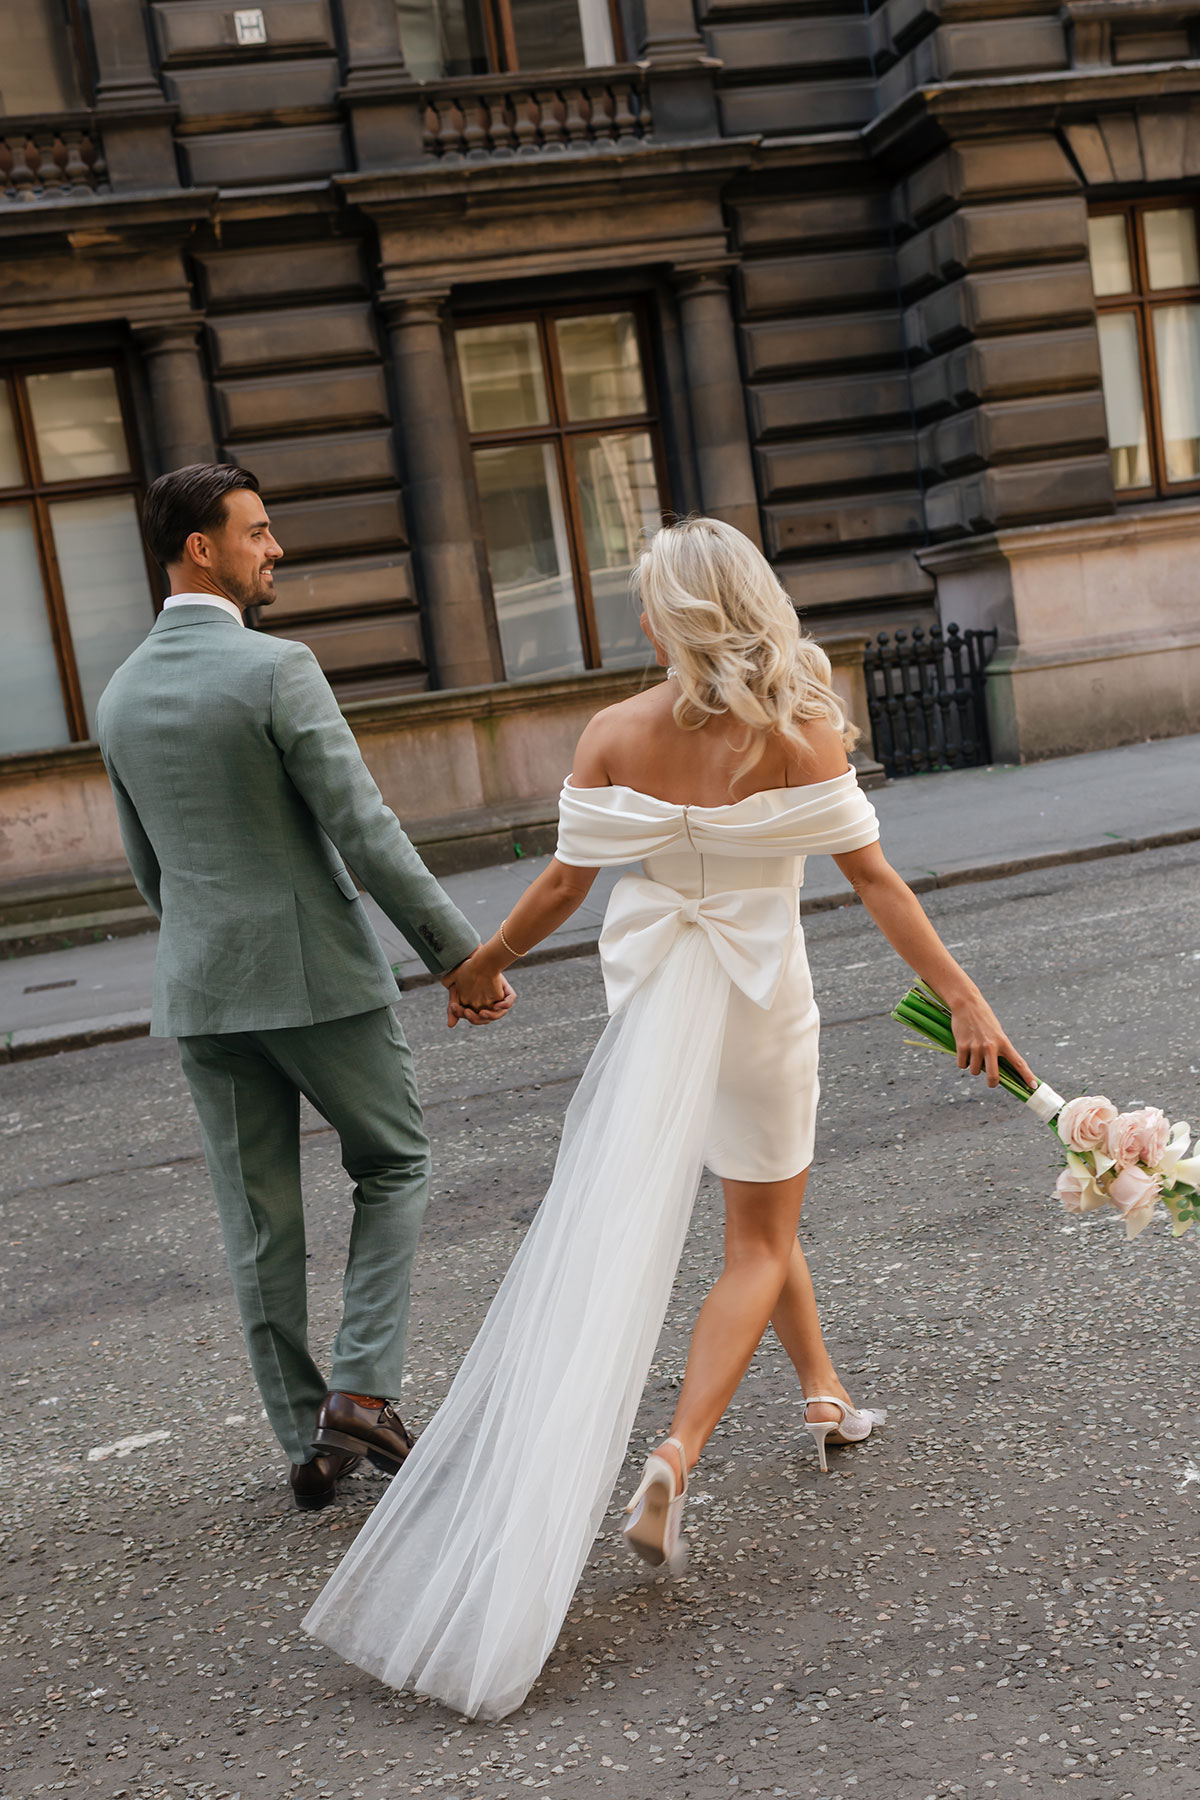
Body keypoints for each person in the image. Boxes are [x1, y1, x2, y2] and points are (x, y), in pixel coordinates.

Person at [303, 516, 1035, 1716]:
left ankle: (824, 1395)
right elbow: (876, 884)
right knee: (760, 1227)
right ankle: (676, 1457)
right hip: (760, 1006)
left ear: (670, 620)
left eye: (644, 602)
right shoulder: (801, 731)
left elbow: (558, 887)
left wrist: (480, 966)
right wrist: (964, 999)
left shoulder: (614, 734)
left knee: (748, 1211)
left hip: (655, 1008)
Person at [95, 464, 513, 1513]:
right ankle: (362, 1395)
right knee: (397, 1161)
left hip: (202, 988)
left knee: (258, 1223)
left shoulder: (122, 693)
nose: (273, 550)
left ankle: (305, 1435)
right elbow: (362, 827)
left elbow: (152, 871)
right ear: (204, 547)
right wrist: (460, 956)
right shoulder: (277, 670)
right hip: (317, 977)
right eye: (259, 532)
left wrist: (208, 941)